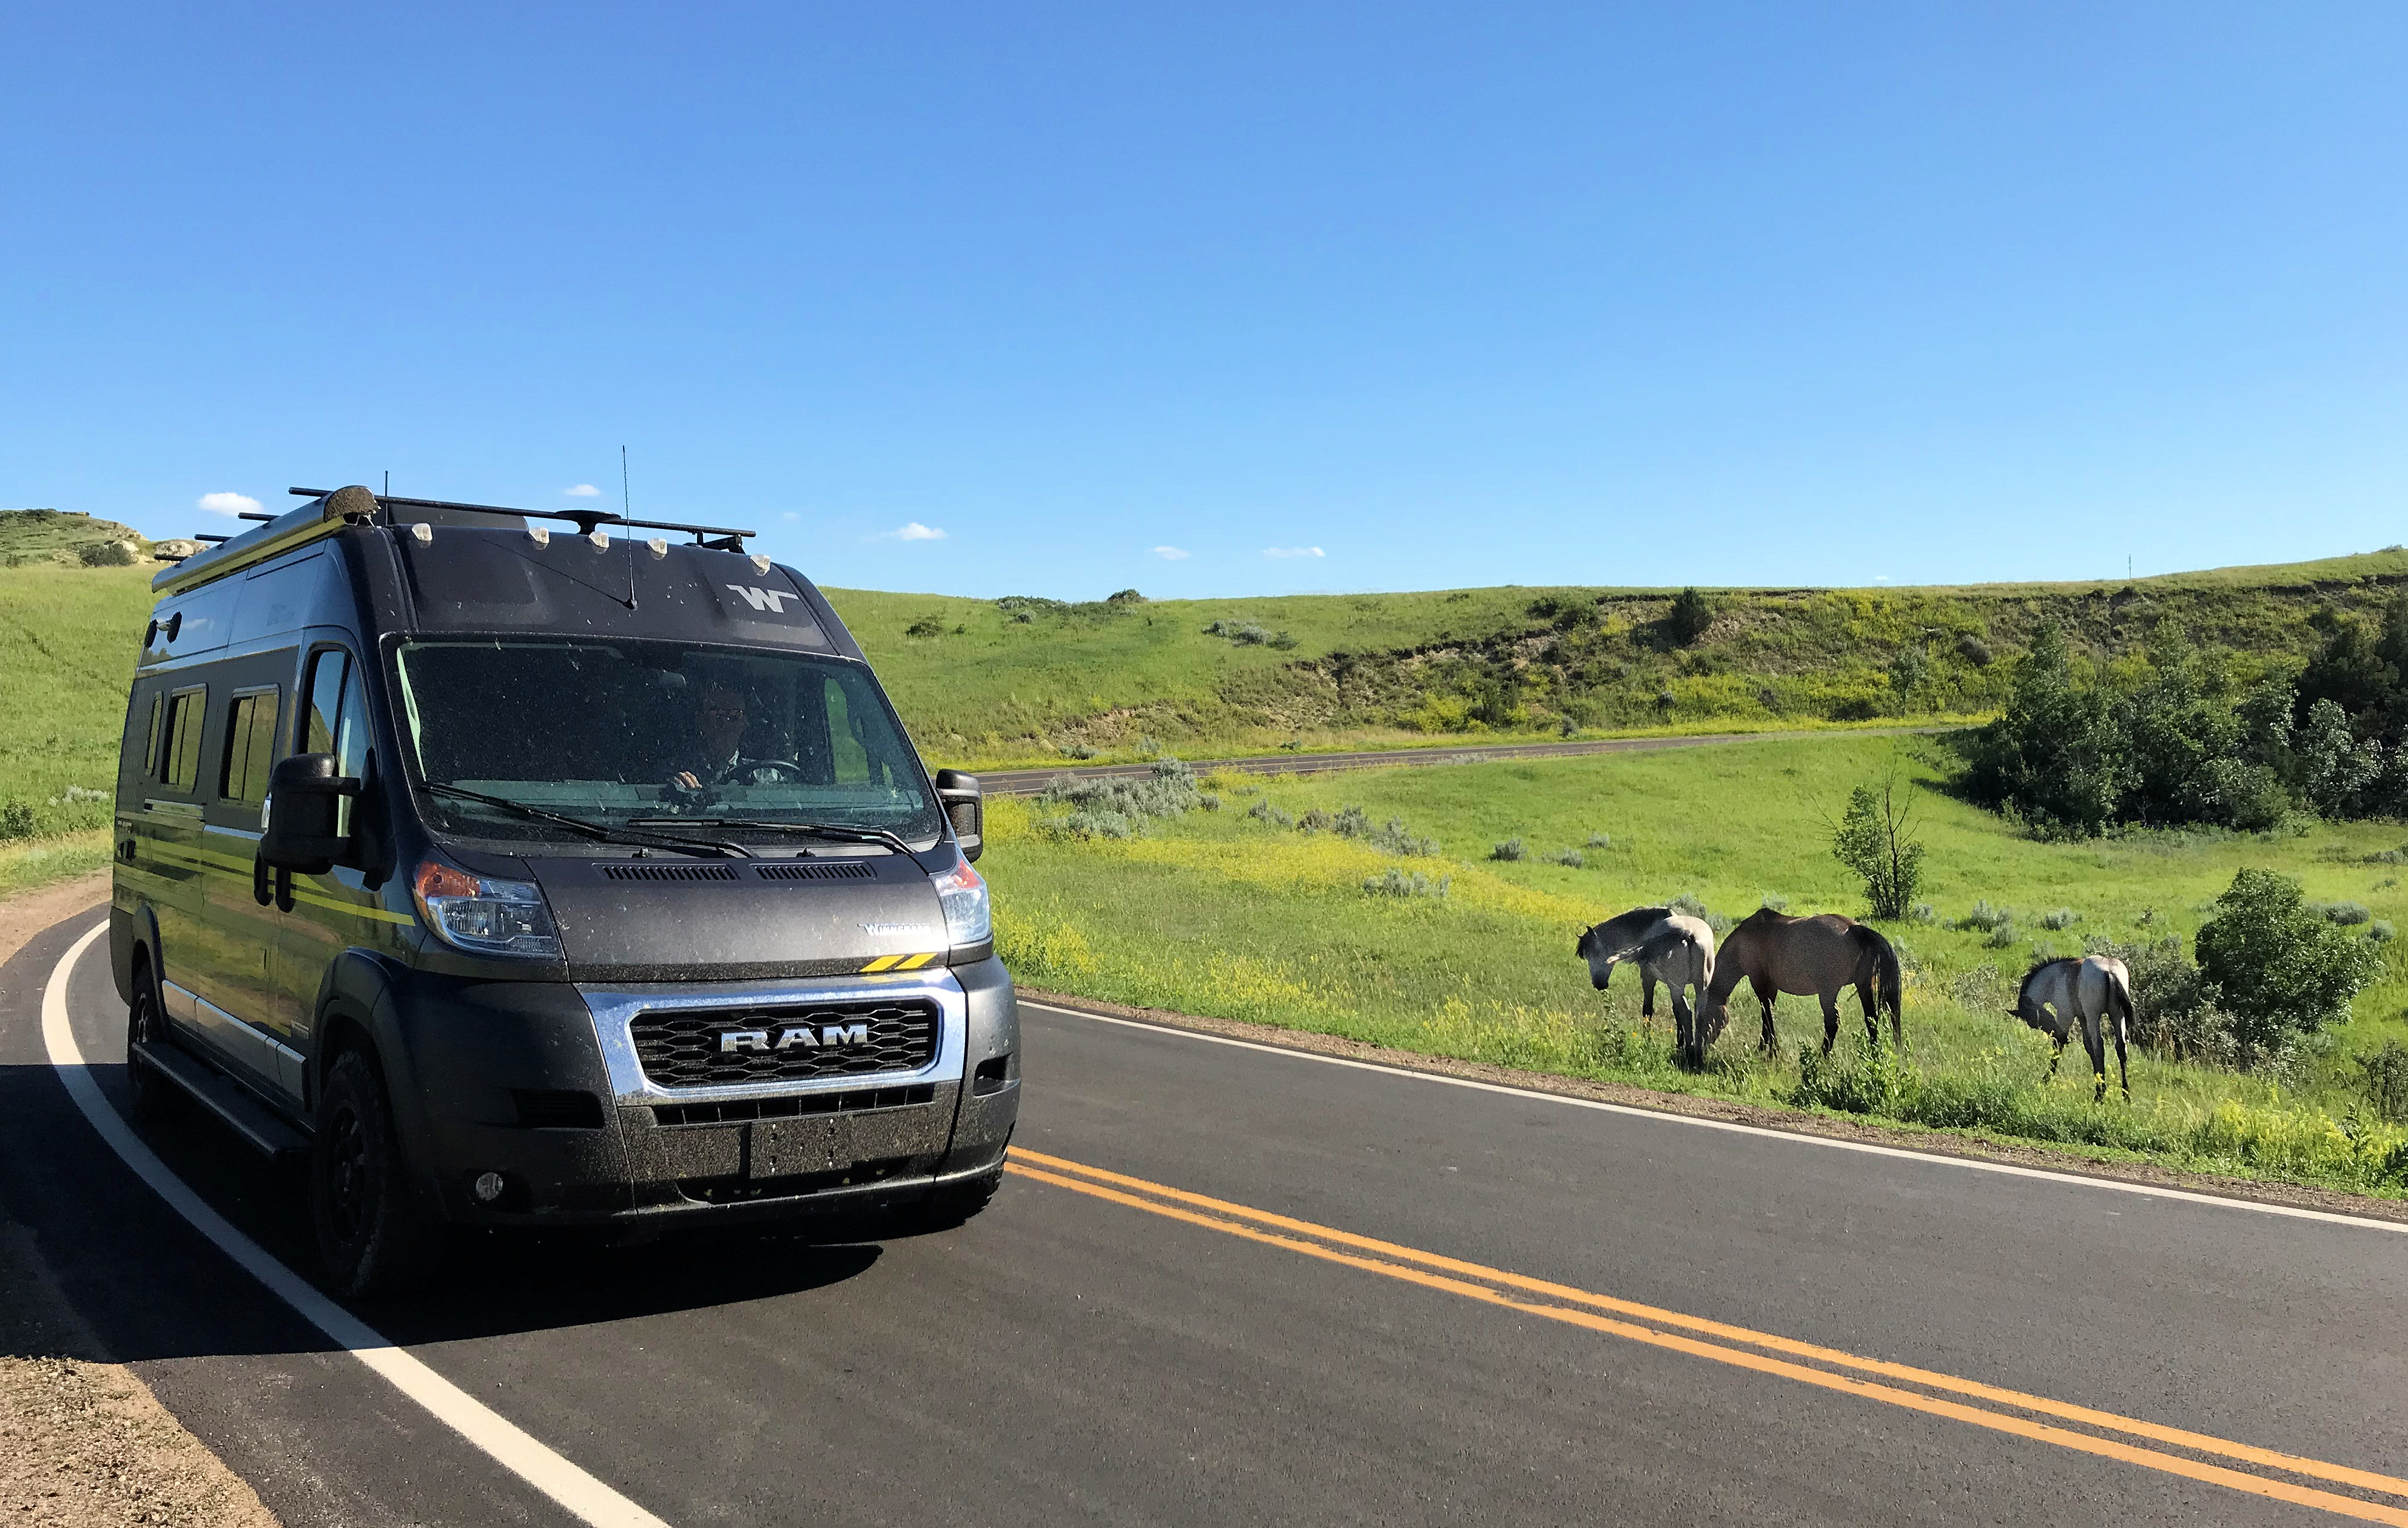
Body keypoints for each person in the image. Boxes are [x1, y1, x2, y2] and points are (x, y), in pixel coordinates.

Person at [662, 681, 796, 804]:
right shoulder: (678, 771)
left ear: (745, 723)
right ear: (701, 720)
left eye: (734, 716)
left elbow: (794, 804)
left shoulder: (767, 778)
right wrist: (679, 792)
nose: (724, 723)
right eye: (717, 714)